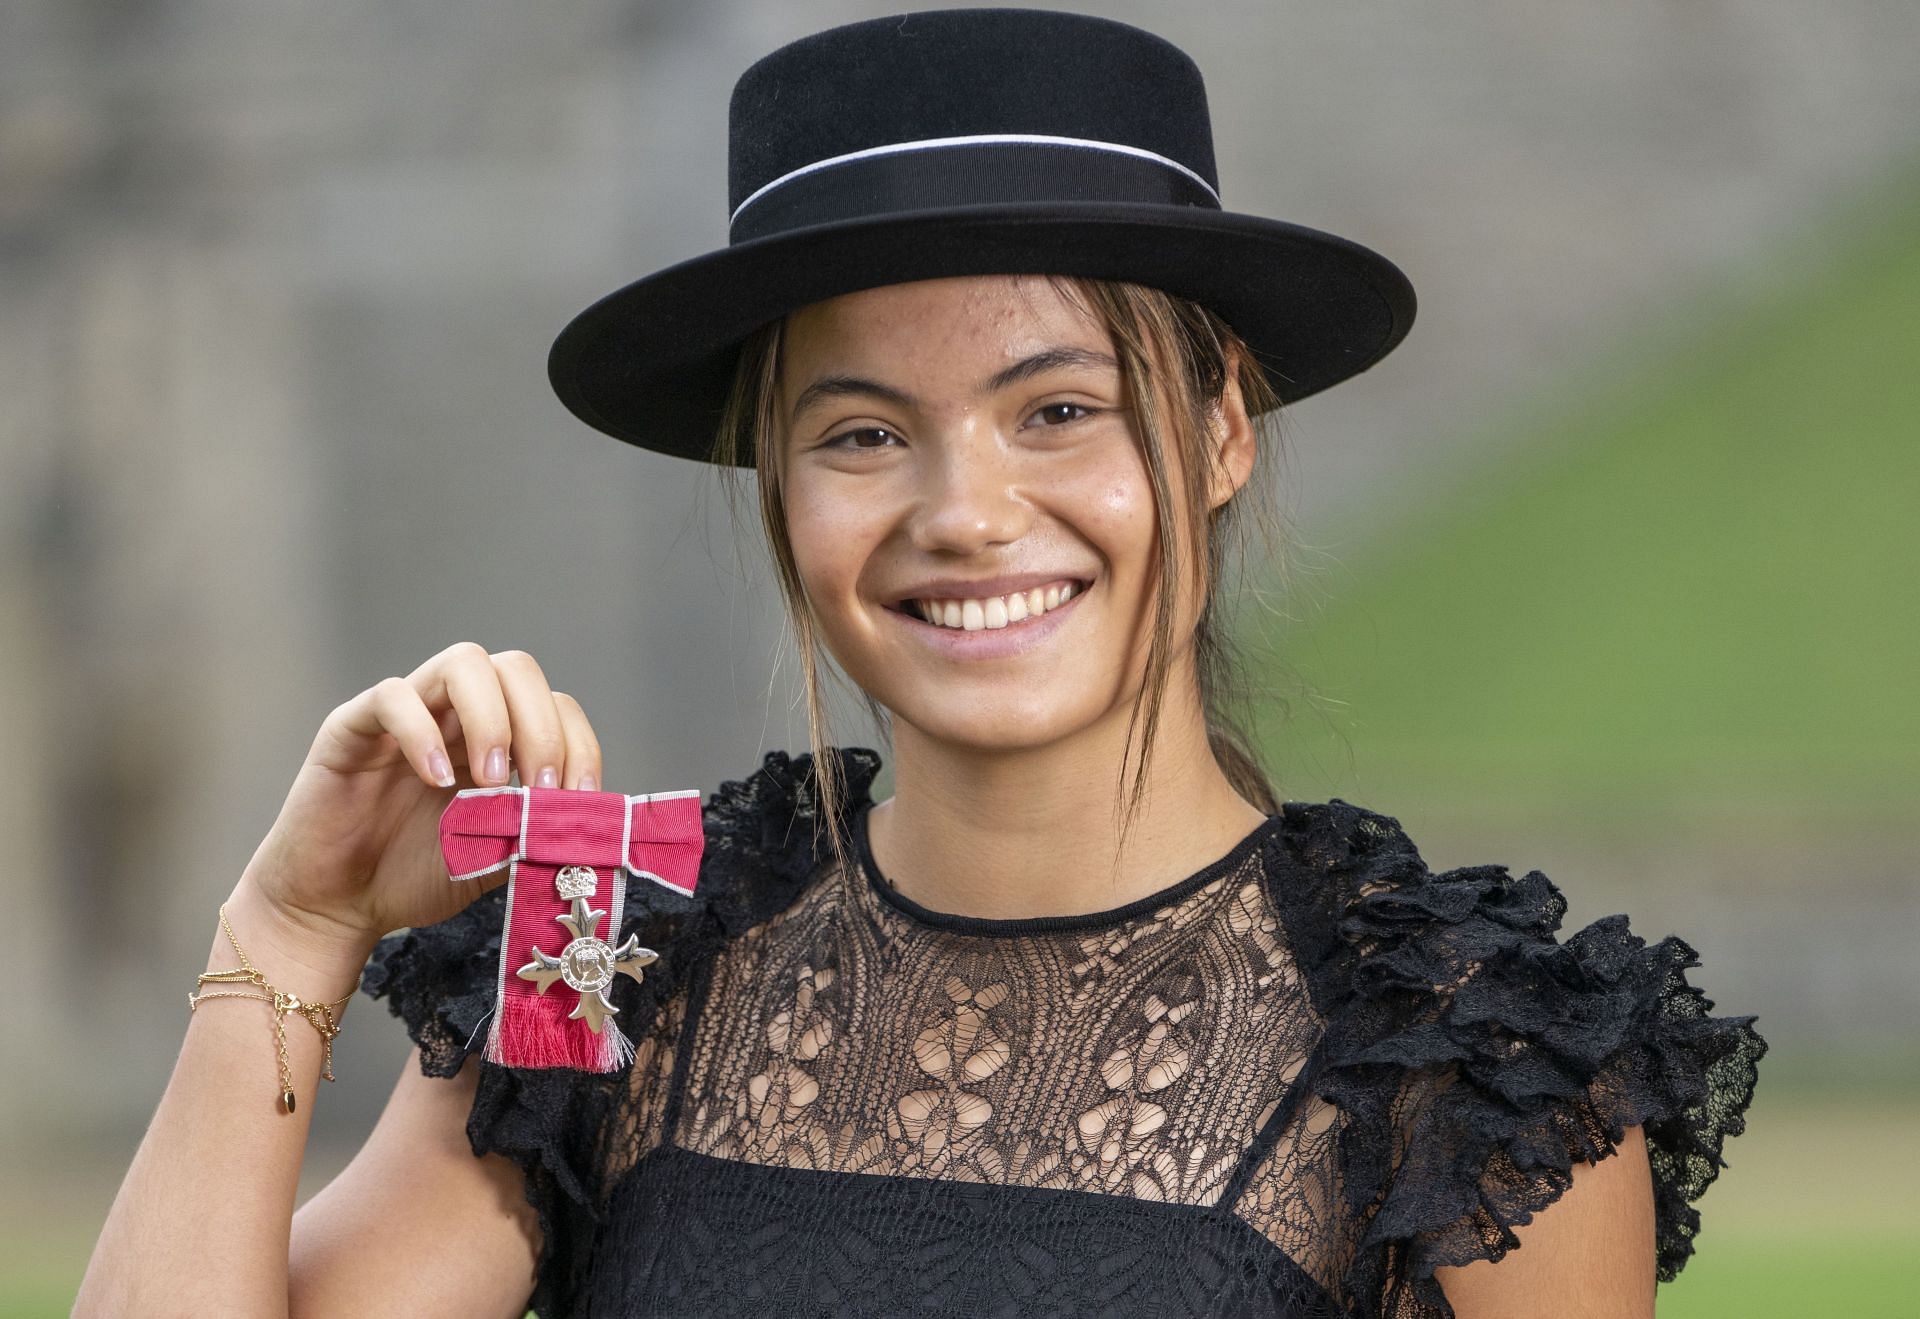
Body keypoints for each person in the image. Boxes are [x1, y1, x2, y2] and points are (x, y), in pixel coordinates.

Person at [78, 9, 1764, 1317]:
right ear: (778, 484)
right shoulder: (613, 956)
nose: (967, 513)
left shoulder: (1464, 1059)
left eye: (1059, 410)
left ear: (1222, 425)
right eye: (868, 431)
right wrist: (284, 932)